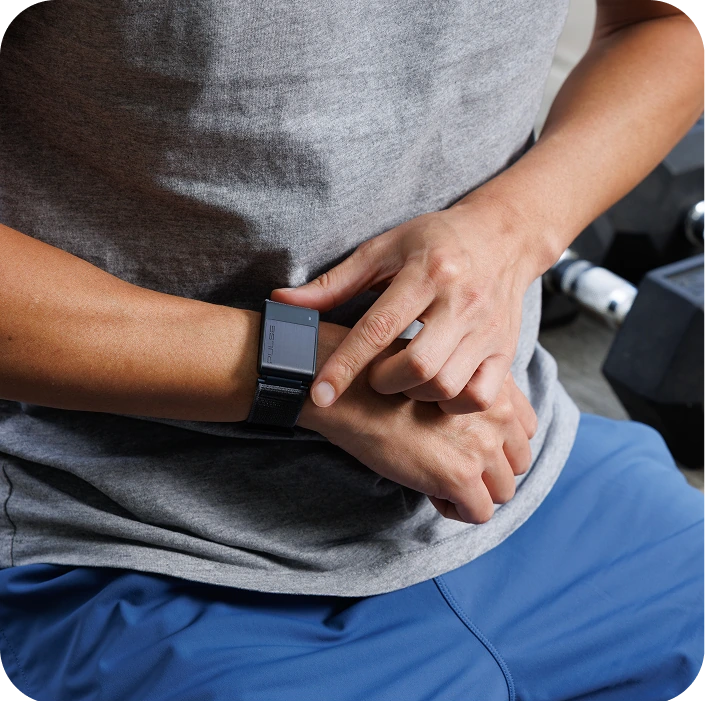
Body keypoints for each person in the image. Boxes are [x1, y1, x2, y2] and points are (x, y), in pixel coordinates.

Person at [0, 0, 703, 700]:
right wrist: (310, 375)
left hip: (524, 462)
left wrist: (511, 231)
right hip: (124, 535)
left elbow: (664, 27)